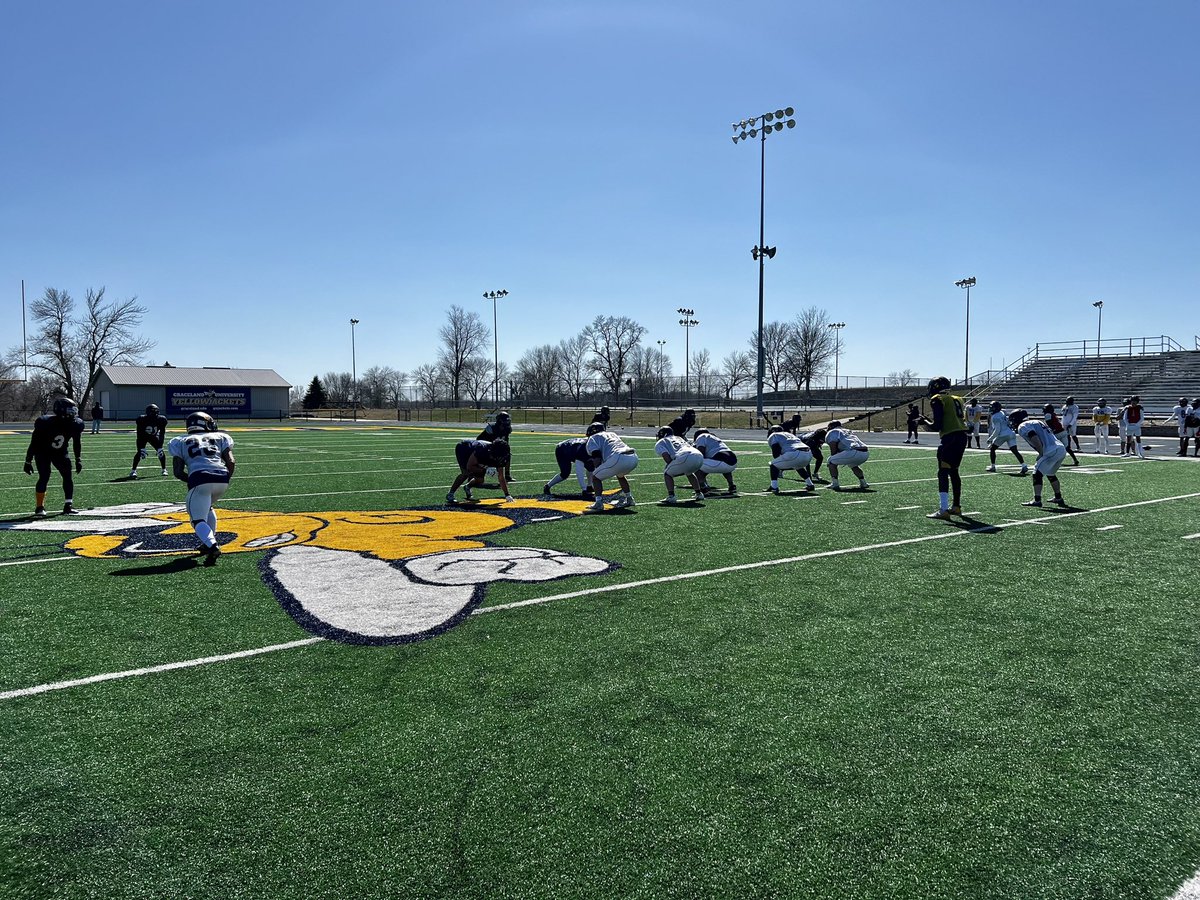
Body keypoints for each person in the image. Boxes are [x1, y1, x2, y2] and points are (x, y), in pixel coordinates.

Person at [167, 411, 236, 566]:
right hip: (222, 478)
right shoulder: (221, 437)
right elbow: (231, 462)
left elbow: (177, 472)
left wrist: (192, 481)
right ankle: (207, 543)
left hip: (200, 478)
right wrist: (225, 478)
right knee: (208, 508)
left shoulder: (179, 441)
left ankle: (212, 546)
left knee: (197, 519)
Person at [24, 397, 84, 516]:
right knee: (44, 477)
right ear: (61, 410)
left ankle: (68, 505)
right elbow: (34, 442)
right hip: (42, 452)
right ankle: (39, 507)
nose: (72, 412)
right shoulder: (45, 422)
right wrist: (28, 461)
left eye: (73, 410)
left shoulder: (76, 424)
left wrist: (78, 459)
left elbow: (77, 442)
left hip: (60, 452)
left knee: (67, 476)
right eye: (69, 410)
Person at [919, 376, 969, 520]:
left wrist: (924, 421)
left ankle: (943, 509)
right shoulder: (958, 398)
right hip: (962, 436)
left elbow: (937, 425)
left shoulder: (937, 398)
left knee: (943, 472)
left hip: (950, 438)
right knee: (954, 471)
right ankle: (956, 506)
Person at [1010, 408, 1068, 509]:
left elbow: (1033, 436)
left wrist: (1041, 452)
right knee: (1050, 473)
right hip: (1060, 448)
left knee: (1037, 474)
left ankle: (1037, 500)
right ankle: (1058, 497)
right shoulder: (1036, 421)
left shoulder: (1022, 426)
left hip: (1050, 451)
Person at [583, 422, 638, 512]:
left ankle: (599, 503)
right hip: (633, 457)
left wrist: (598, 469)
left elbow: (596, 455)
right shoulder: (612, 434)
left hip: (618, 457)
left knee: (596, 477)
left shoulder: (593, 438)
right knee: (620, 475)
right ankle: (629, 498)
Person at [448, 439, 513, 504]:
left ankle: (467, 487)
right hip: (464, 449)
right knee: (466, 473)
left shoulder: (502, 456)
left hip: (478, 455)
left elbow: (501, 477)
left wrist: (507, 494)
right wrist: (485, 469)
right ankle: (451, 494)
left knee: (480, 480)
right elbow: (470, 466)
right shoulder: (482, 449)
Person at [653, 426, 705, 505]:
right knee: (689, 472)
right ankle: (699, 494)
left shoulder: (661, 442)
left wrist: (670, 466)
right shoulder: (679, 438)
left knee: (667, 473)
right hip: (699, 455)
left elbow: (666, 457)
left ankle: (671, 496)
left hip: (686, 456)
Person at [764, 425, 814, 494]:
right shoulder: (789, 434)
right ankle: (810, 484)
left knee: (773, 465)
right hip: (808, 453)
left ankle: (774, 487)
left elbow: (776, 453)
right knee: (798, 466)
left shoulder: (774, 435)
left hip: (795, 453)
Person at [985, 401, 1029, 474]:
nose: (991, 409)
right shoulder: (1002, 413)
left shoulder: (995, 417)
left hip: (1002, 435)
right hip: (1010, 433)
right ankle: (1024, 466)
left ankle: (993, 466)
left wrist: (990, 439)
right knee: (1015, 450)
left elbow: (997, 430)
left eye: (992, 407)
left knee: (992, 448)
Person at [824, 421, 870, 491]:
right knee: (853, 465)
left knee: (830, 461)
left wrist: (833, 458)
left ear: (830, 426)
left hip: (853, 451)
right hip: (865, 452)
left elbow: (833, 446)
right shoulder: (848, 430)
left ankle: (835, 483)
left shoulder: (833, 431)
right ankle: (863, 483)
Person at [691, 427, 738, 494]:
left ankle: (703, 487)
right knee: (725, 465)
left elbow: (701, 455)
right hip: (733, 462)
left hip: (720, 461)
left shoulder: (701, 437)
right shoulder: (714, 438)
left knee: (696, 463)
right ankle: (731, 485)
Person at [129, 404, 170, 478]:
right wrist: (141, 448)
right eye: (153, 411)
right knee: (139, 453)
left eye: (156, 411)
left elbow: (162, 433)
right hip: (143, 437)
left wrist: (160, 446)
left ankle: (164, 469)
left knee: (160, 452)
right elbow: (139, 433)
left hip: (153, 437)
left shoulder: (161, 419)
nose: (155, 413)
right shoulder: (142, 419)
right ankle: (133, 470)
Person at [477, 411, 514, 480]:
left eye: (507, 420)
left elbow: (506, 439)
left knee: (507, 454)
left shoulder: (508, 429)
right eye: (505, 421)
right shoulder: (492, 428)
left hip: (496, 446)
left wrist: (506, 449)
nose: (507, 422)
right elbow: (481, 440)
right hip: (485, 446)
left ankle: (507, 475)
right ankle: (476, 474)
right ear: (500, 421)